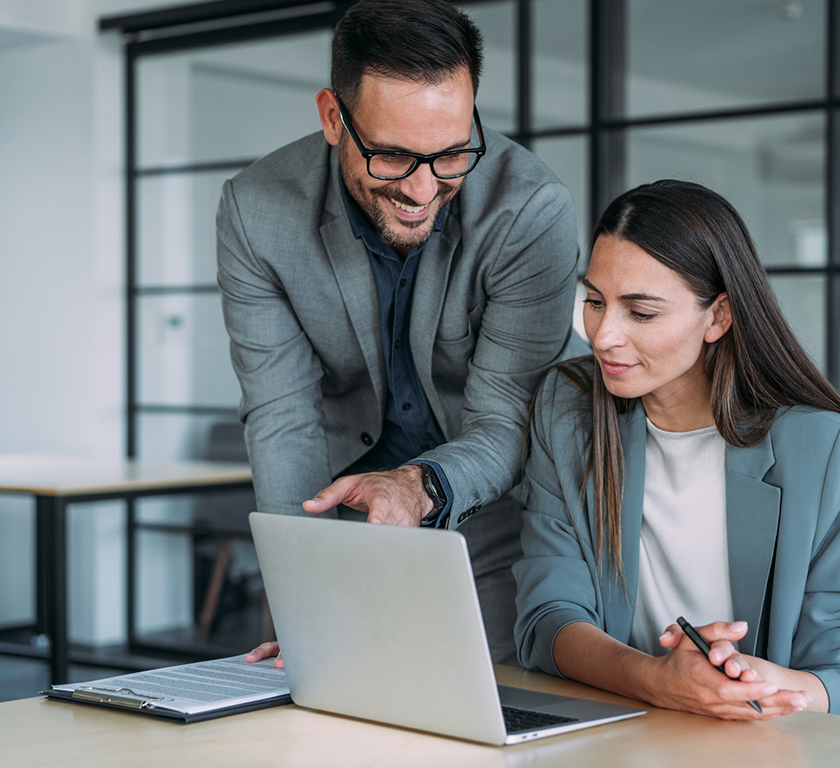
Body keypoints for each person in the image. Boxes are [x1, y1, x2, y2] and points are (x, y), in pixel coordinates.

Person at [220, 0, 580, 665]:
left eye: (450, 155)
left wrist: (421, 485)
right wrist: (307, 594)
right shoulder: (257, 211)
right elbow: (283, 418)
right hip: (342, 511)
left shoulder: (530, 211)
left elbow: (508, 422)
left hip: (490, 511)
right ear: (334, 118)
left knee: (497, 718)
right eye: (391, 157)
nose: (422, 189)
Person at [513, 180, 840, 719]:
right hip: (620, 737)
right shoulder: (568, 410)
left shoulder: (822, 448)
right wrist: (656, 680)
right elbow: (546, 619)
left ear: (718, 316)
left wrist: (756, 681)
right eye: (594, 302)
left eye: (640, 313)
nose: (602, 336)